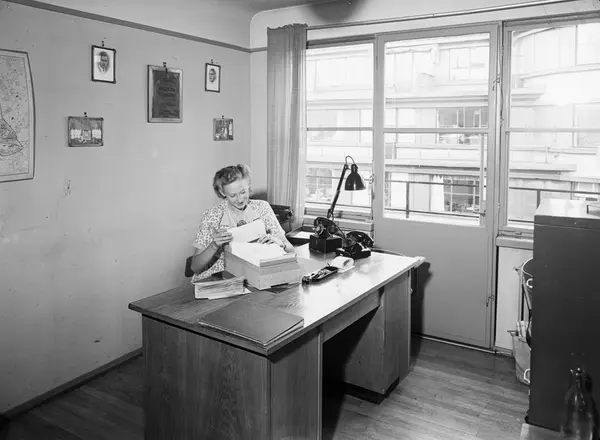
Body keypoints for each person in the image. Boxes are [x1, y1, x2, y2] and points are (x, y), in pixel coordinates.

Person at [190, 164, 294, 281]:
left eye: (243, 192)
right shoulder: (212, 216)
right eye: (232, 195)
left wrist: (280, 243)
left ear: (248, 186)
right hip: (219, 279)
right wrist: (214, 245)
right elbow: (195, 267)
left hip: (254, 275)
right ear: (222, 192)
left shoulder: (262, 208)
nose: (239, 200)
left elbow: (291, 251)